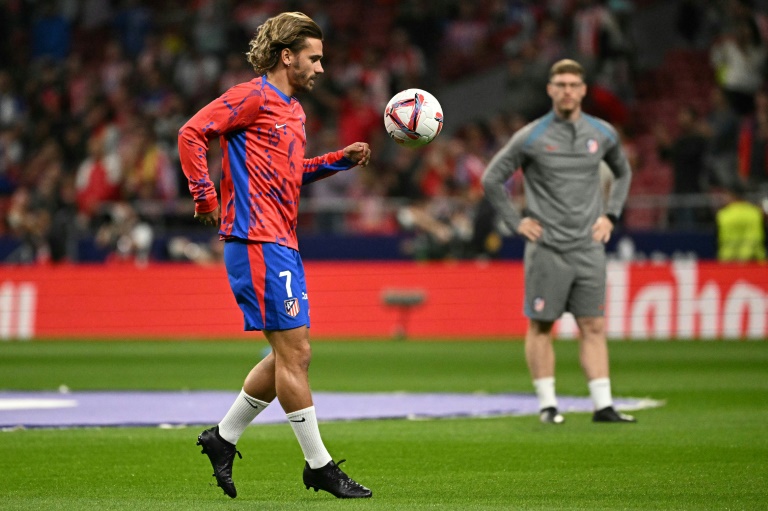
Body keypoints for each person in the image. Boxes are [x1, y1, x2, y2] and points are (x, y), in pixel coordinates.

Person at [177, 12, 372, 499]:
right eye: (315, 58)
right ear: (288, 56)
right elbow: (191, 132)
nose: (321, 69)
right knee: (296, 354)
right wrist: (204, 193)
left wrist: (336, 161)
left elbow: (289, 172)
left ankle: (222, 438)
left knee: (289, 354)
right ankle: (319, 465)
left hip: (282, 242)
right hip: (255, 242)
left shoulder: (293, 110)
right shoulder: (251, 96)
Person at [481, 59, 635, 424]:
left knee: (593, 326)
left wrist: (611, 215)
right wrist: (517, 223)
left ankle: (603, 405)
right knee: (541, 325)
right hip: (547, 247)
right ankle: (548, 405)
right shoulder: (531, 136)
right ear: (550, 89)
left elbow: (624, 171)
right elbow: (491, 178)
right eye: (560, 84)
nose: (567, 90)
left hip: (588, 247)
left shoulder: (602, 133)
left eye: (573, 85)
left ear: (583, 91)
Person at [716, 183, 766, 261]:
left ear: (731, 195)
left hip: (729, 261)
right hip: (754, 260)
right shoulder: (756, 212)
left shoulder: (723, 215)